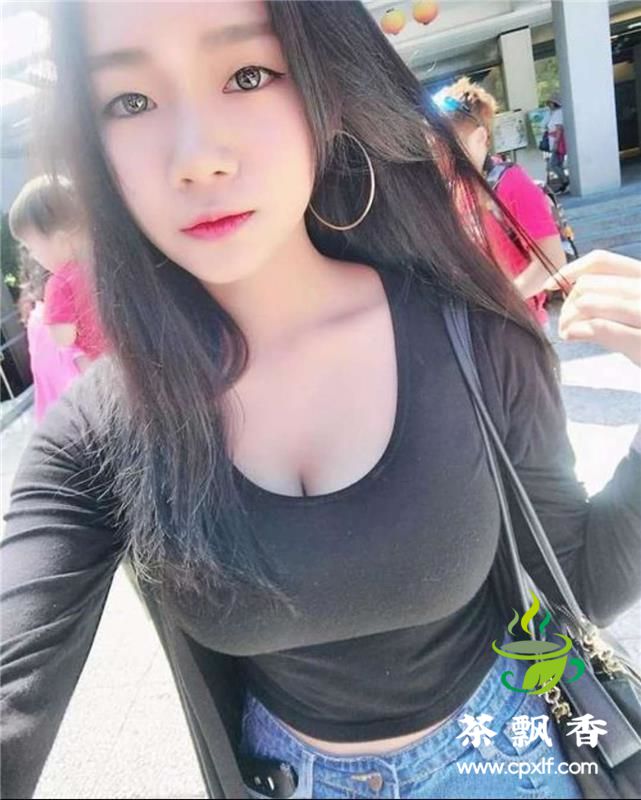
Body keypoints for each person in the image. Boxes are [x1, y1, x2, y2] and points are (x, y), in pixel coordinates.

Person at [1, 3, 640, 799]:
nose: (196, 158)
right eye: (129, 101)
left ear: (323, 93)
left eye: (247, 75)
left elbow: (579, 578)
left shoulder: (471, 336)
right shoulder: (104, 427)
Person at [434, 78, 567, 332]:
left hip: (521, 327)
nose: (440, 156)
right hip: (485, 327)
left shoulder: (511, 183)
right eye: (434, 145)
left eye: (448, 146)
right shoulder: (455, 188)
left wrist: (500, 304)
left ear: (480, 137)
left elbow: (552, 260)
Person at [8, 174, 107, 375]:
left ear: (60, 241)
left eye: (32, 248)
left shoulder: (60, 284)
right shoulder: (105, 263)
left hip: (101, 369)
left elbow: (64, 338)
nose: (33, 256)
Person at [546, 93, 568, 193]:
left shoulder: (558, 113)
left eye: (550, 103)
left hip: (557, 143)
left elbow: (559, 129)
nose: (549, 105)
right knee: (558, 164)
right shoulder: (555, 113)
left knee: (553, 164)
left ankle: (565, 181)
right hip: (556, 142)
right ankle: (564, 182)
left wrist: (555, 143)